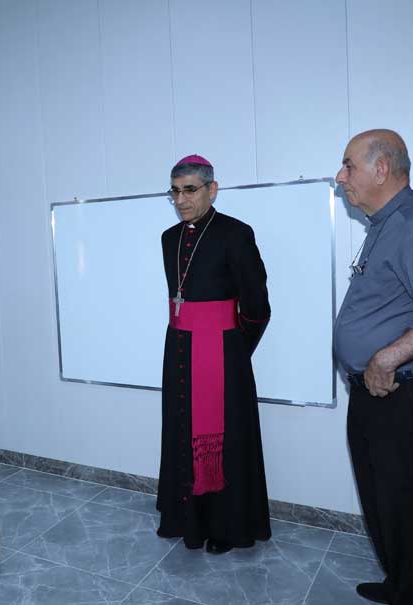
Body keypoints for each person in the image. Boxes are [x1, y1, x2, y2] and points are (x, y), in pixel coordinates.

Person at [333, 130, 413, 605]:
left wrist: (387, 356)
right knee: (383, 498)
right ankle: (401, 583)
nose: (341, 176)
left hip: (398, 393)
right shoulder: (385, 223)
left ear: (381, 169)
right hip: (373, 391)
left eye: (349, 165)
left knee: (403, 500)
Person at [155, 154, 272, 554]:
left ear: (212, 189)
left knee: (226, 440)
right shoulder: (169, 238)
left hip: (222, 355)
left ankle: (226, 527)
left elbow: (257, 305)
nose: (181, 200)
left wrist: (235, 350)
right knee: (180, 432)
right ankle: (184, 518)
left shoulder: (236, 234)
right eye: (175, 191)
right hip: (178, 349)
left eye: (190, 190)